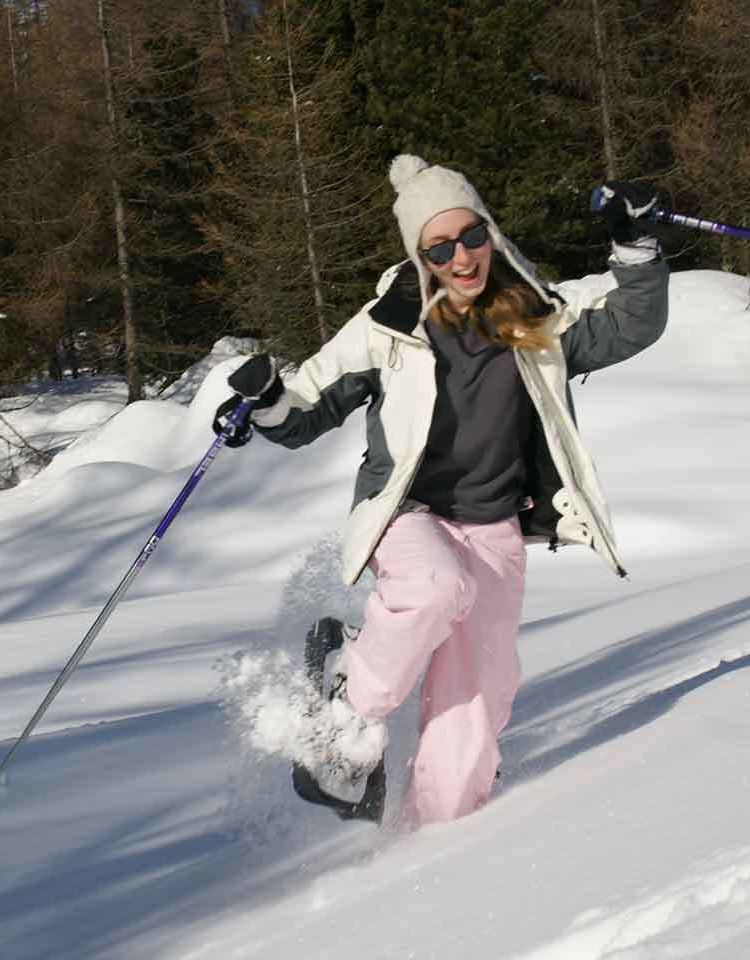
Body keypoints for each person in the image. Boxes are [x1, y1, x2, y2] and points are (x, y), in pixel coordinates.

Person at [213, 154, 671, 828]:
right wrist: (266, 403)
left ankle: (434, 857)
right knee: (433, 587)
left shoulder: (535, 316)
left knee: (476, 708)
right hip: (408, 514)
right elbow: (306, 406)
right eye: (440, 246)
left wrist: (636, 244)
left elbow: (633, 323)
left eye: (472, 236)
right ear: (419, 254)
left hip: (494, 528)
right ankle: (346, 706)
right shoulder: (387, 327)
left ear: (490, 233)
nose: (462, 257)